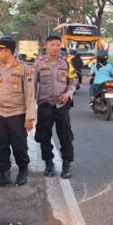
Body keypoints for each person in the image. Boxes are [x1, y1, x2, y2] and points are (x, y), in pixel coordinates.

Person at [0, 37, 36, 187]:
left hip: (18, 114)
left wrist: (29, 118)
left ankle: (22, 171)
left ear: (7, 51)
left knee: (19, 146)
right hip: (1, 114)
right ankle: (4, 175)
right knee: (0, 146)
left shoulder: (24, 69)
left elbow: (30, 95)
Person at [34, 35, 76, 179]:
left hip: (61, 105)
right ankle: (49, 163)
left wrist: (68, 93)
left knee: (66, 136)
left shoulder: (66, 63)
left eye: (58, 45)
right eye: (52, 45)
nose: (55, 48)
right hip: (44, 104)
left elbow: (72, 82)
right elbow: (32, 85)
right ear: (46, 46)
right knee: (44, 135)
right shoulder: (38, 64)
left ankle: (66, 164)